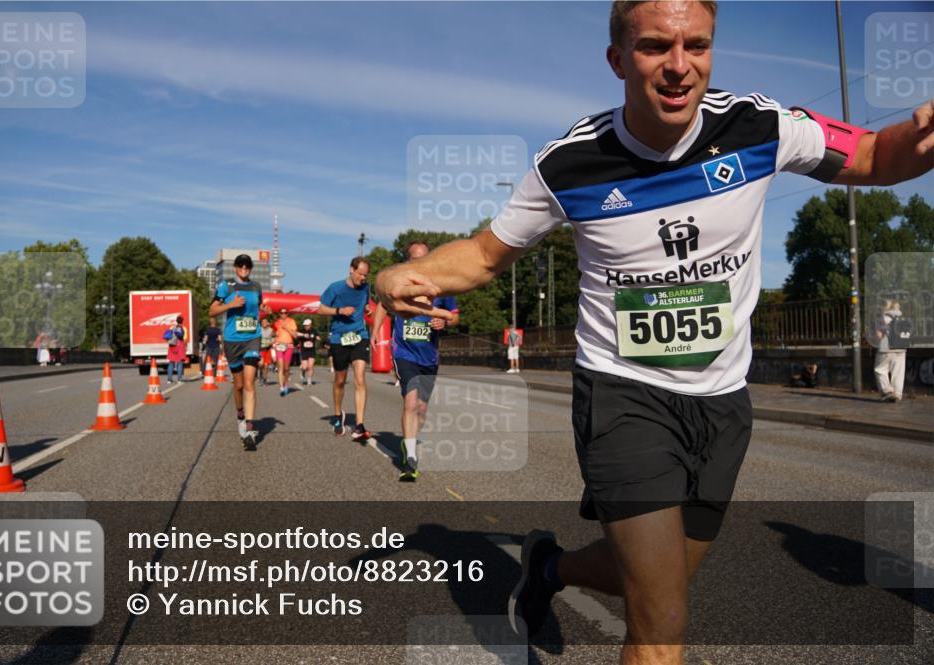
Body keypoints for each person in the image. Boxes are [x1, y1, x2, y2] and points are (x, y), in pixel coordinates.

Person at [376, 2, 934, 661]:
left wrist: (919, 137)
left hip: (723, 402)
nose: (679, 66)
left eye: (696, 45)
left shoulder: (760, 126)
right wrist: (400, 275)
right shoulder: (570, 163)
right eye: (654, 47)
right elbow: (484, 254)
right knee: (663, 619)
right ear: (618, 59)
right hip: (622, 393)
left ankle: (549, 567)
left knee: (654, 580)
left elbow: (871, 153)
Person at [372, 241, 459, 481]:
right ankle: (410, 458)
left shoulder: (441, 286)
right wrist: (375, 331)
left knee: (421, 408)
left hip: (429, 357)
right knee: (410, 402)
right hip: (404, 352)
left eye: (423, 258)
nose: (419, 263)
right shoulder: (399, 282)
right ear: (408, 260)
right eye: (414, 259)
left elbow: (454, 316)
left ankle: (408, 441)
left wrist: (445, 322)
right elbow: (383, 303)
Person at [210, 254, 272, 450]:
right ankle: (240, 415)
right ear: (235, 267)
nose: (244, 268)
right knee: (238, 385)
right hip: (232, 340)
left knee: (249, 382)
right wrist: (230, 305)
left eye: (247, 265)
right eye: (240, 265)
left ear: (250, 268)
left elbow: (259, 306)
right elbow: (212, 310)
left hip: (252, 337)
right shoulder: (226, 286)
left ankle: (250, 430)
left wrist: (265, 309)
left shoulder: (256, 286)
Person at [319, 257, 372, 442]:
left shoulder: (366, 287)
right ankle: (337, 415)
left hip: (359, 336)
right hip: (339, 338)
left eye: (365, 275)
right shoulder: (335, 288)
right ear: (351, 269)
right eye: (360, 274)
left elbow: (365, 303)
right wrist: (339, 311)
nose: (362, 278)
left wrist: (368, 309)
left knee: (360, 378)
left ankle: (359, 424)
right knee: (340, 380)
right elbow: (320, 309)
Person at [874, 299, 907, 402]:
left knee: (880, 369)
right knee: (898, 372)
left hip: (886, 348)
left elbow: (879, 335)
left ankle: (887, 391)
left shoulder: (883, 318)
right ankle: (897, 394)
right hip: (901, 348)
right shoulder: (903, 318)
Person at [273, 308, 299, 396]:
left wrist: (287, 327)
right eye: (281, 313)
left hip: (289, 346)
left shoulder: (291, 321)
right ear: (279, 314)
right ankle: (281, 388)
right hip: (279, 345)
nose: (283, 314)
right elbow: (273, 333)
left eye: (285, 313)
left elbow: (295, 336)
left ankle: (286, 384)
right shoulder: (276, 322)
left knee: (286, 368)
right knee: (280, 367)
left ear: (288, 313)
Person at [163, 316, 187, 384]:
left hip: (172, 346)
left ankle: (169, 379)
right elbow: (184, 339)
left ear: (176, 321)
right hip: (180, 345)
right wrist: (185, 347)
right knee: (180, 363)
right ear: (182, 321)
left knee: (171, 362)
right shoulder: (184, 328)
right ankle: (179, 379)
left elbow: (168, 336)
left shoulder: (172, 327)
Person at [298, 318, 321, 386]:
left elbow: (318, 337)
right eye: (305, 325)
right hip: (304, 351)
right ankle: (303, 372)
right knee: (305, 367)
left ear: (310, 325)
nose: (306, 326)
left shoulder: (314, 331)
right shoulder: (301, 331)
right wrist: (303, 335)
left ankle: (309, 380)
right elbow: (296, 333)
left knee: (311, 366)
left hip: (311, 351)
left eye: (307, 325)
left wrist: (318, 338)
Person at [259, 315, 275, 386]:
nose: (264, 323)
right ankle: (260, 373)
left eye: (266, 322)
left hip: (268, 349)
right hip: (260, 349)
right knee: (261, 364)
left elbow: (274, 338)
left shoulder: (271, 330)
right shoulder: (259, 329)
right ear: (261, 323)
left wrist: (271, 342)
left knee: (266, 366)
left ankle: (264, 379)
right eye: (263, 322)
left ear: (268, 323)